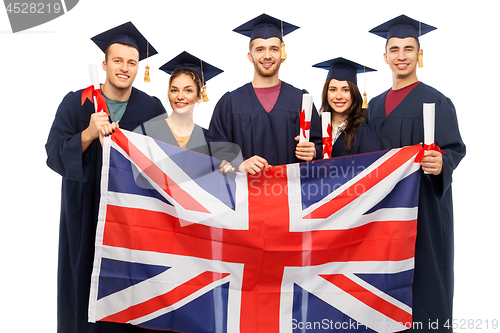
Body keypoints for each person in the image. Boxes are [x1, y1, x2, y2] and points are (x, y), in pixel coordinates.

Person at [45, 22, 167, 333]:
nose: (124, 68)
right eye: (118, 61)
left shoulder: (150, 107)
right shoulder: (78, 102)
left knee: (133, 291)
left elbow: (168, 160)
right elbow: (54, 152)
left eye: (131, 62)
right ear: (104, 64)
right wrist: (87, 133)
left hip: (133, 222)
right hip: (85, 216)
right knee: (85, 286)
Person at [367, 15, 466, 331]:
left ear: (419, 55)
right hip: (382, 213)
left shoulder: (436, 99)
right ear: (385, 57)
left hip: (423, 209)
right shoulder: (374, 106)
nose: (401, 56)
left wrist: (442, 162)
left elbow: (454, 148)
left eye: (408, 49)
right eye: (394, 49)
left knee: (425, 280)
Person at [206, 13, 323, 174]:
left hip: (291, 195)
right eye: (260, 49)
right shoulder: (230, 103)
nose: (267, 55)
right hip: (245, 195)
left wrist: (314, 151)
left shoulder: (301, 100)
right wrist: (240, 164)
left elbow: (320, 147)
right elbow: (215, 152)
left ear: (282, 55)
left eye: (274, 49)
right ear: (250, 56)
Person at [312, 57, 381, 157]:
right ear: (326, 93)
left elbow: (372, 168)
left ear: (354, 94)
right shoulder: (316, 127)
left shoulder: (364, 132)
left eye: (345, 90)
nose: (339, 96)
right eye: (333, 90)